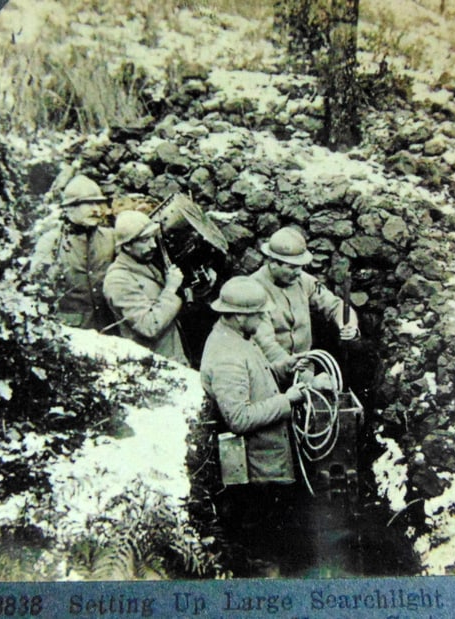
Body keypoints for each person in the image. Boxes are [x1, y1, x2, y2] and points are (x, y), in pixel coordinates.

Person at [199, 276, 313, 576]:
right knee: (264, 545)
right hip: (258, 473)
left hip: (269, 462)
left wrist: (285, 366)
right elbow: (239, 418)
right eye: (258, 314)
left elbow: (257, 377)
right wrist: (288, 400)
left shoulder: (237, 339)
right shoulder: (227, 355)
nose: (265, 318)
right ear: (238, 316)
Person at [250, 227, 359, 369]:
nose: (298, 272)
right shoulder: (252, 290)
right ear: (273, 263)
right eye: (292, 267)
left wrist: (349, 325)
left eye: (300, 266)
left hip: (304, 369)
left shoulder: (304, 281)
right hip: (271, 372)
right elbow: (266, 344)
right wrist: (302, 375)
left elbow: (334, 305)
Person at [102, 210, 188, 365]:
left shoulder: (145, 262)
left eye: (153, 238)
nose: (153, 245)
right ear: (127, 246)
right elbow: (148, 327)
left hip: (173, 355)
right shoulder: (118, 281)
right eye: (145, 240)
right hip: (153, 366)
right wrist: (170, 289)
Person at [36, 174, 117, 331]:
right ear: (69, 208)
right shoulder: (51, 242)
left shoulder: (110, 237)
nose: (96, 210)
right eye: (88, 204)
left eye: (99, 203)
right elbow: (38, 285)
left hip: (110, 327)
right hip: (73, 331)